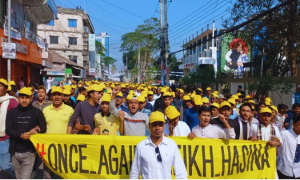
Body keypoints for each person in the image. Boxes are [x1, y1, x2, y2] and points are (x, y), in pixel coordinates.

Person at [130, 111, 187, 179]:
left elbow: (181, 172)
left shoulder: (171, 145)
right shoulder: (141, 147)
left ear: (164, 126)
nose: (157, 128)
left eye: (160, 124)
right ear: (149, 126)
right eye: (154, 124)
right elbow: (135, 173)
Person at [6, 87, 46, 179]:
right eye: (22, 97)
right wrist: (21, 135)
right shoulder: (12, 112)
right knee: (19, 177)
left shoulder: (37, 112)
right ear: (18, 98)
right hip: (14, 152)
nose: (24, 100)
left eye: (27, 97)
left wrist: (37, 130)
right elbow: (8, 129)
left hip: (30, 151)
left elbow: (43, 128)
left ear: (31, 98)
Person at [0, 79, 18, 178]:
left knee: (5, 165)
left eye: (0, 86)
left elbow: (17, 120)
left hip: (5, 138)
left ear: (6, 89)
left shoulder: (12, 101)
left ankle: (22, 175)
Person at [277, 114, 300, 178]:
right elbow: (278, 144)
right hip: (284, 170)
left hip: (298, 172)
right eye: (299, 125)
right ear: (293, 124)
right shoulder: (284, 134)